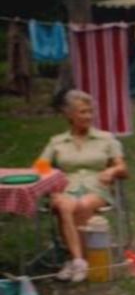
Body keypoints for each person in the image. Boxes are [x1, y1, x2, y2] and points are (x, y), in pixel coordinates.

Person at [38, 90, 128, 283]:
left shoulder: (106, 139)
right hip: (66, 188)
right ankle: (79, 260)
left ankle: (74, 260)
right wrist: (51, 186)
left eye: (90, 111)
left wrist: (112, 171)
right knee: (64, 205)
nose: (88, 116)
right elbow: (40, 168)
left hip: (97, 188)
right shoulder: (57, 142)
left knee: (82, 205)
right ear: (69, 114)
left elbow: (123, 168)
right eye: (82, 112)